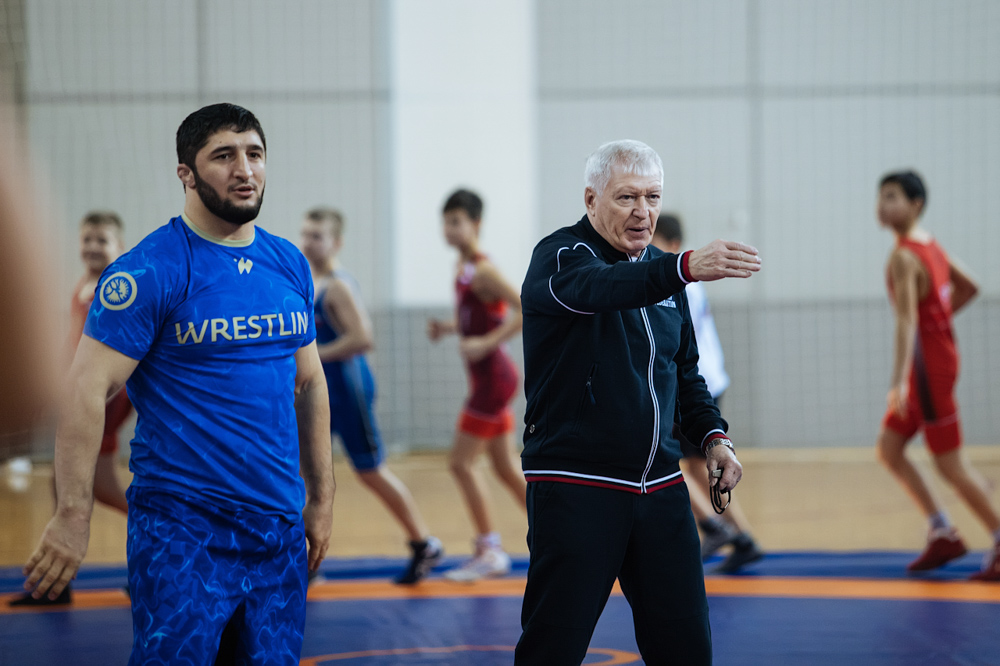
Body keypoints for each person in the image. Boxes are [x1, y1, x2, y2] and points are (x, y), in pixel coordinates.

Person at [21, 103, 336, 664]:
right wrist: (72, 516)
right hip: (182, 532)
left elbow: (310, 383)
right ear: (185, 173)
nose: (245, 170)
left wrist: (321, 498)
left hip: (278, 530)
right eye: (224, 156)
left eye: (255, 154)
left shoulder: (288, 263)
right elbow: (84, 391)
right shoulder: (148, 272)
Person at [515, 140, 760, 664]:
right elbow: (602, 288)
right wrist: (683, 266)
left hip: (662, 491)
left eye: (653, 197)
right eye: (626, 197)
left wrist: (714, 438)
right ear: (591, 200)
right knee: (552, 648)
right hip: (577, 486)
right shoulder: (561, 257)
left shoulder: (665, 274)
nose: (642, 212)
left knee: (687, 649)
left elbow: (685, 373)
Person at [301, 207, 442, 584]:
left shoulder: (338, 285)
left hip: (350, 391)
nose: (307, 242)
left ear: (336, 242)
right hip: (323, 393)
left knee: (369, 470)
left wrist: (313, 356)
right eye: (305, 234)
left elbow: (362, 338)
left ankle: (423, 542)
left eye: (316, 236)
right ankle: (306, 560)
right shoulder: (312, 281)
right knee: (305, 472)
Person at [875, 170, 1000, 581]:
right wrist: (939, 322)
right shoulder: (930, 246)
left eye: (892, 197)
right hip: (935, 363)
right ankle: (942, 531)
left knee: (951, 464)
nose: (882, 205)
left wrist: (898, 381)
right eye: (881, 197)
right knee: (890, 448)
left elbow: (906, 321)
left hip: (927, 372)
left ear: (916, 205)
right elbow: (971, 286)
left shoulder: (904, 256)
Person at [10, 211, 133, 607]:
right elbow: (76, 343)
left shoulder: (115, 289)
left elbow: (116, 353)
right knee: (68, 483)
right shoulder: (84, 285)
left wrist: (98, 399)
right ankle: (55, 582)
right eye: (87, 240)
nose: (93, 247)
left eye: (102, 241)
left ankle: (170, 546)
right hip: (84, 395)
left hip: (105, 398)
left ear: (120, 247)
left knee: (91, 485)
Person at [652, 214, 764, 574]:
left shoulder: (674, 283)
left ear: (673, 245)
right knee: (695, 464)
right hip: (706, 380)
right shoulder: (684, 281)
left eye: (654, 242)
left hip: (693, 387)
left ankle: (717, 527)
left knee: (665, 461)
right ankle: (739, 535)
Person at [427, 189, 527, 582]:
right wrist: (449, 328)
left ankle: (490, 550)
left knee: (460, 463)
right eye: (445, 222)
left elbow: (525, 308)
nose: (449, 230)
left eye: (456, 222)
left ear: (476, 224)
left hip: (493, 381)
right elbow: (478, 317)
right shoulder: (464, 268)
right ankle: (561, 535)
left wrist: (486, 343)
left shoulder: (483, 270)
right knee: (504, 467)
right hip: (491, 379)